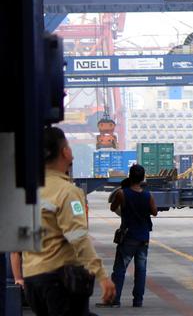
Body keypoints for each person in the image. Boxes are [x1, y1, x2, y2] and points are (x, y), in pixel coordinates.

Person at [23, 127, 116, 314]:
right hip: (58, 280)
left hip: (32, 279)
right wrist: (102, 276)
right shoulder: (67, 192)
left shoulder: (27, 190)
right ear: (65, 152)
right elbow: (78, 237)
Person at [102, 165, 157, 308]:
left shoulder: (122, 193)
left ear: (130, 176)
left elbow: (113, 207)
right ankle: (138, 301)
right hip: (143, 237)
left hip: (128, 237)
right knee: (141, 270)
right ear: (143, 178)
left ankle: (115, 300)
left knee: (120, 269)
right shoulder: (148, 195)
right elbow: (155, 212)